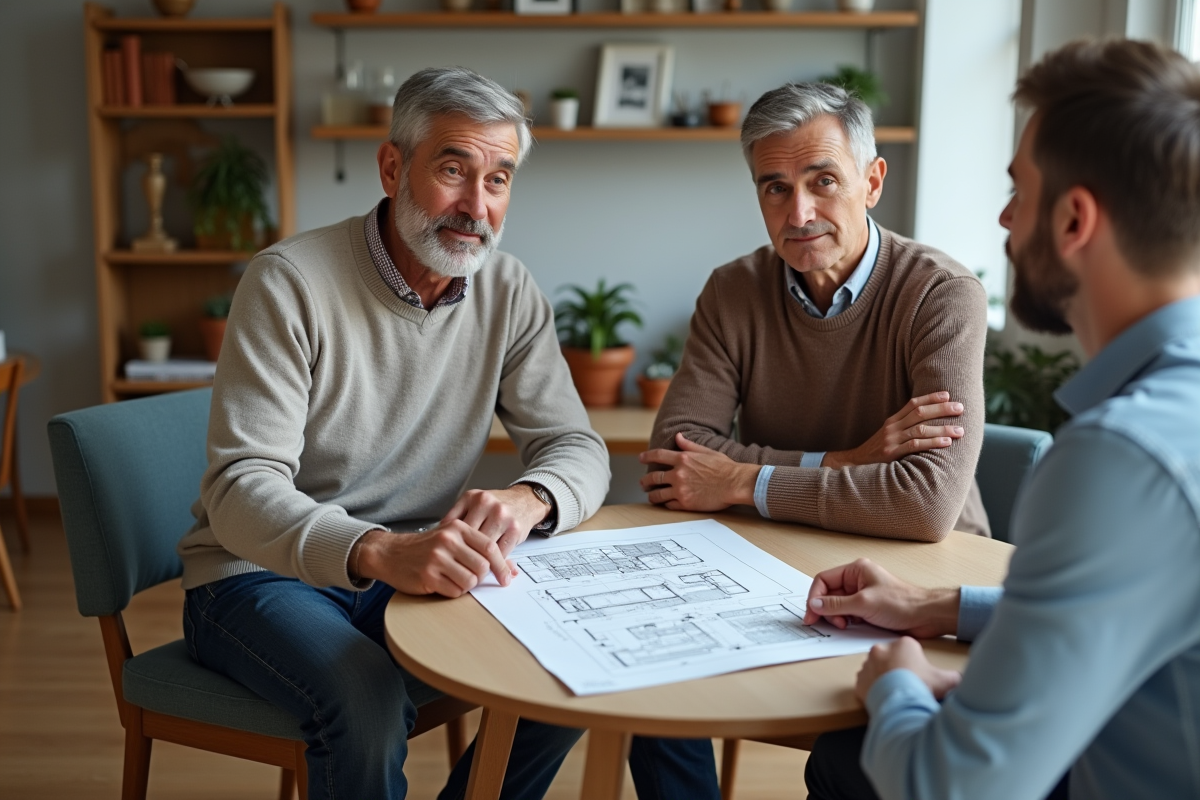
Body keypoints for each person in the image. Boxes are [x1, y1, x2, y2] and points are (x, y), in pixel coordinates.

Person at [177, 67, 716, 800]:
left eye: (498, 180)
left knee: (576, 663)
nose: (476, 207)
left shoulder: (508, 290)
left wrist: (531, 499)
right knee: (364, 701)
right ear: (393, 166)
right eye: (454, 169)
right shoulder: (288, 283)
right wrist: (379, 549)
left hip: (419, 566)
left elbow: (577, 448)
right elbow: (240, 492)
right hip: (259, 575)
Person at [802, 39, 1200, 800]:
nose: (1006, 217)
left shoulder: (1121, 456)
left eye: (1020, 190)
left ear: (1075, 218)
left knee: (854, 755)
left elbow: (951, 788)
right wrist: (936, 607)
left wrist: (897, 683)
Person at [640, 81, 990, 542]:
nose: (799, 214)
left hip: (927, 567)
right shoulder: (732, 291)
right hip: (784, 547)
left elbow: (926, 503)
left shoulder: (942, 294)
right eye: (776, 188)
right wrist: (837, 463)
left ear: (872, 183)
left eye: (823, 181)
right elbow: (673, 453)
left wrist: (740, 480)